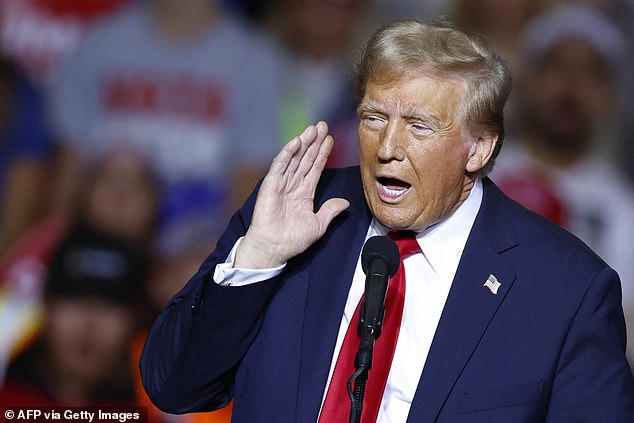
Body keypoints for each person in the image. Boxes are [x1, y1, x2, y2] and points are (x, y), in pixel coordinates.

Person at [140, 18, 634, 422]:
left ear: (478, 147)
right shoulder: (295, 207)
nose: (387, 149)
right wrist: (259, 259)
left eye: (418, 125)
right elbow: (173, 386)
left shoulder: (566, 291)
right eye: (374, 118)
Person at [488, 4, 634, 370]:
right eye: (557, 67)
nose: (570, 87)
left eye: (589, 73)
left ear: (609, 96)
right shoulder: (481, 170)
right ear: (527, 81)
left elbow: (622, 328)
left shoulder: (622, 208)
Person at [0, 225, 148, 407]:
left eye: (111, 305)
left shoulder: (158, 411)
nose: (89, 324)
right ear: (46, 304)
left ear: (136, 319)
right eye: (73, 299)